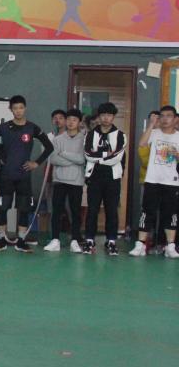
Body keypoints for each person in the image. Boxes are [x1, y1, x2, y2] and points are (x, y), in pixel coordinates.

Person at [0, 95, 53, 253]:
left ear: (25, 108)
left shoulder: (33, 128)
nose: (18, 111)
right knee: (3, 208)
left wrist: (36, 163)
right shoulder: (3, 127)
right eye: (15, 108)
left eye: (21, 107)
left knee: (24, 209)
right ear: (11, 109)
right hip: (6, 176)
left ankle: (21, 241)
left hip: (24, 176)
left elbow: (49, 147)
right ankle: (1, 240)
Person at [129, 105, 179, 258]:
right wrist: (151, 124)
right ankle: (140, 245)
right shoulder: (154, 133)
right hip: (152, 179)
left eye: (168, 116)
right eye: (162, 116)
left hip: (172, 182)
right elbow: (142, 144)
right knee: (147, 212)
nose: (165, 119)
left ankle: (170, 246)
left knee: (170, 213)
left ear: (175, 119)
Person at [83, 102, 126, 256]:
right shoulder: (90, 134)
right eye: (103, 115)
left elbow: (117, 157)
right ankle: (89, 240)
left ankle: (111, 241)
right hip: (94, 177)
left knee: (111, 210)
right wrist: (106, 155)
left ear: (113, 117)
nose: (106, 118)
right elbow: (88, 154)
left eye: (109, 115)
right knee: (92, 210)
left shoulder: (120, 135)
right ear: (99, 117)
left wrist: (98, 158)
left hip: (112, 178)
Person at [44, 109, 86, 253]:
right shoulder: (57, 139)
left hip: (76, 181)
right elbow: (54, 159)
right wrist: (73, 159)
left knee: (75, 212)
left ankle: (75, 240)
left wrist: (63, 153)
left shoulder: (84, 139)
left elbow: (82, 159)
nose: (70, 122)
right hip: (59, 180)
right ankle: (55, 240)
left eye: (74, 120)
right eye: (68, 119)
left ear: (79, 122)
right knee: (56, 211)